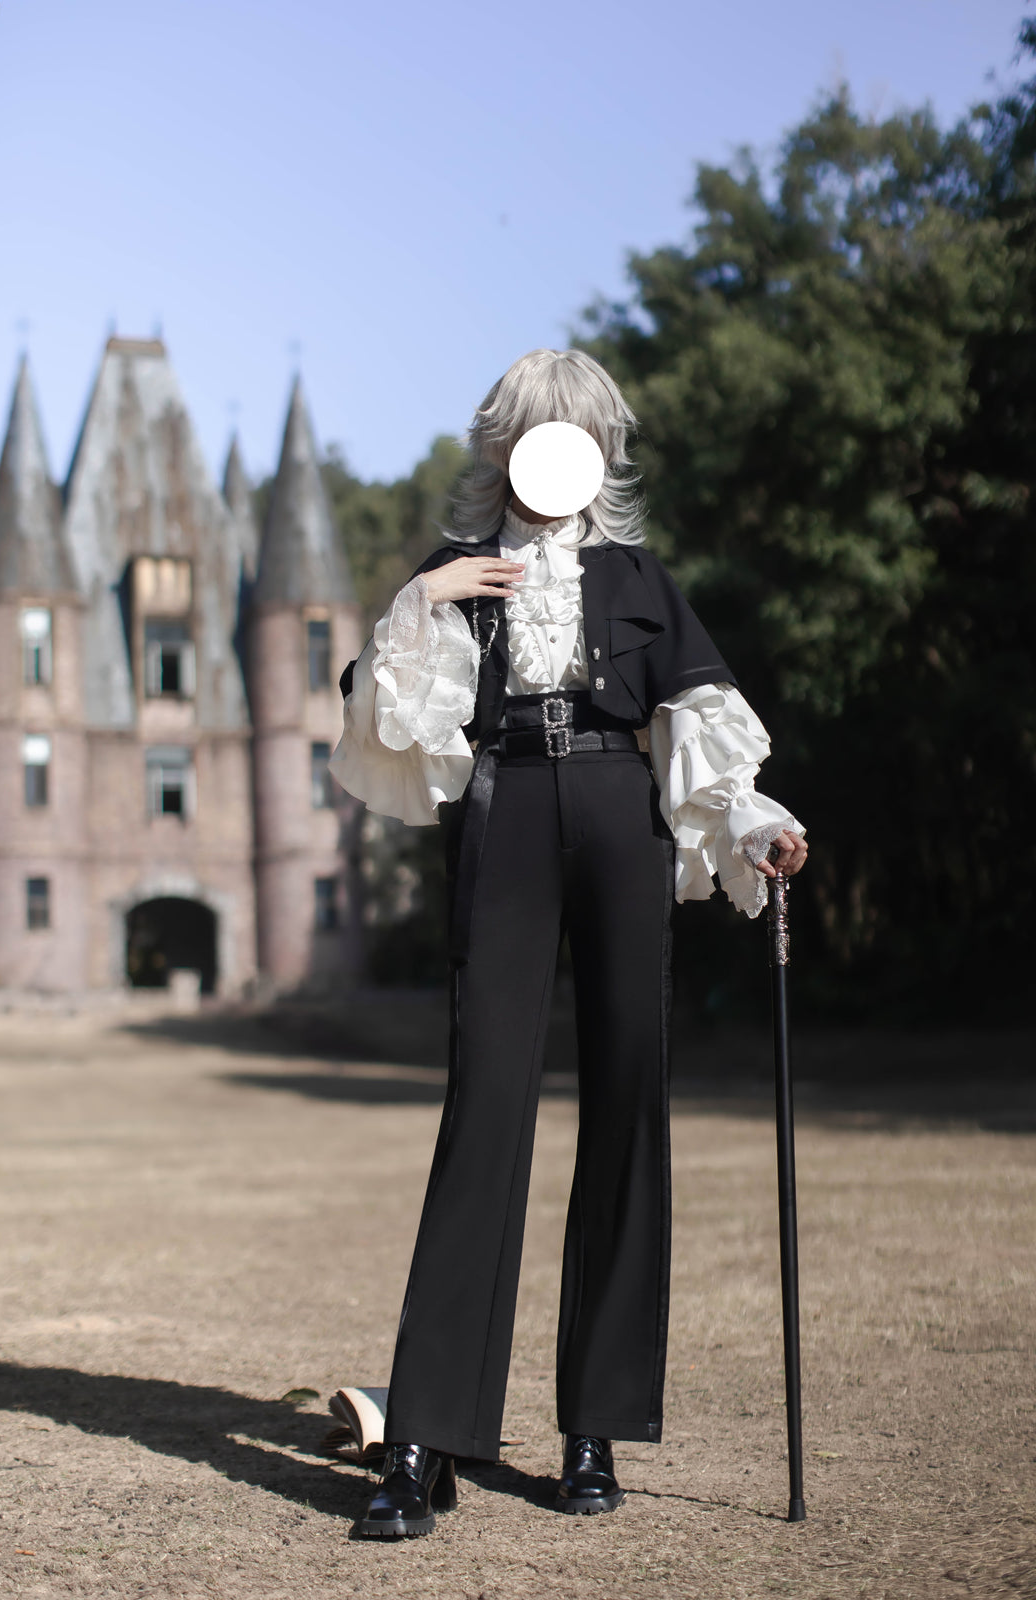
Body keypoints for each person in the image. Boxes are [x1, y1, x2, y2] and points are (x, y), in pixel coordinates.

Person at [329, 348, 808, 1539]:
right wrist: (425, 602)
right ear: (502, 450)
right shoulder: (453, 573)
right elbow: (386, 713)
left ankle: (593, 1425)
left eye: (571, 436)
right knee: (484, 1106)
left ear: (598, 450)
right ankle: (427, 1437)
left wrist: (757, 825)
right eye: (529, 435)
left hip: (616, 813)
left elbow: (696, 726)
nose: (547, 457)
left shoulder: (638, 578)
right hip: (505, 808)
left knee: (628, 1098)